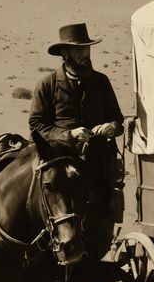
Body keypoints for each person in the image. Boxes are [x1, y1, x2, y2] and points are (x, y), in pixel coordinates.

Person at [29, 22, 126, 244]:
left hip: (99, 165)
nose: (85, 54)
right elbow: (36, 126)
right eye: (78, 50)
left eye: (87, 49)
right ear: (65, 54)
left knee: (100, 218)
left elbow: (118, 120)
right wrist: (69, 135)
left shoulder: (101, 82)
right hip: (63, 166)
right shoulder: (48, 84)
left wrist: (112, 126)